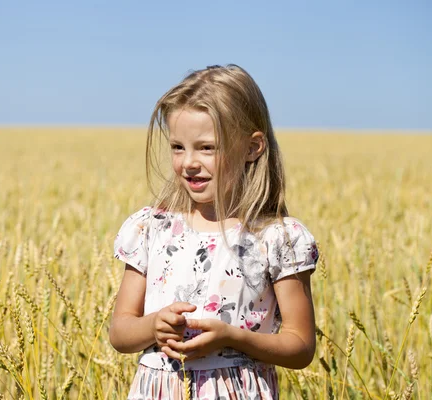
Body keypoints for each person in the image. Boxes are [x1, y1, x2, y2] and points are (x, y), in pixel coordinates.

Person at [109, 64, 319, 399]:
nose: (188, 162)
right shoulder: (150, 229)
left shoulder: (277, 239)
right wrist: (154, 326)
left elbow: (301, 345)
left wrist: (232, 338)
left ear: (252, 148)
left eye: (206, 148)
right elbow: (120, 332)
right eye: (178, 147)